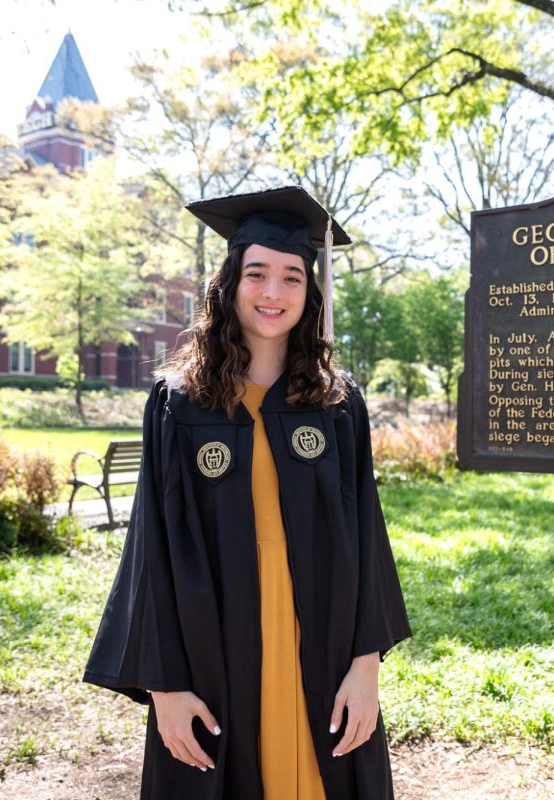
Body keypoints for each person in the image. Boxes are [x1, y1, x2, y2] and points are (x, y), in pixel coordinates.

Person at [83, 186, 412, 800]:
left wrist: (366, 667)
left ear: (309, 293)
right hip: (215, 642)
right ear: (229, 283)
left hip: (323, 634)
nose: (272, 293)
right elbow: (150, 546)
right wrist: (166, 685)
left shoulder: (336, 403)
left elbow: (367, 536)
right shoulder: (179, 404)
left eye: (292, 277)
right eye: (256, 273)